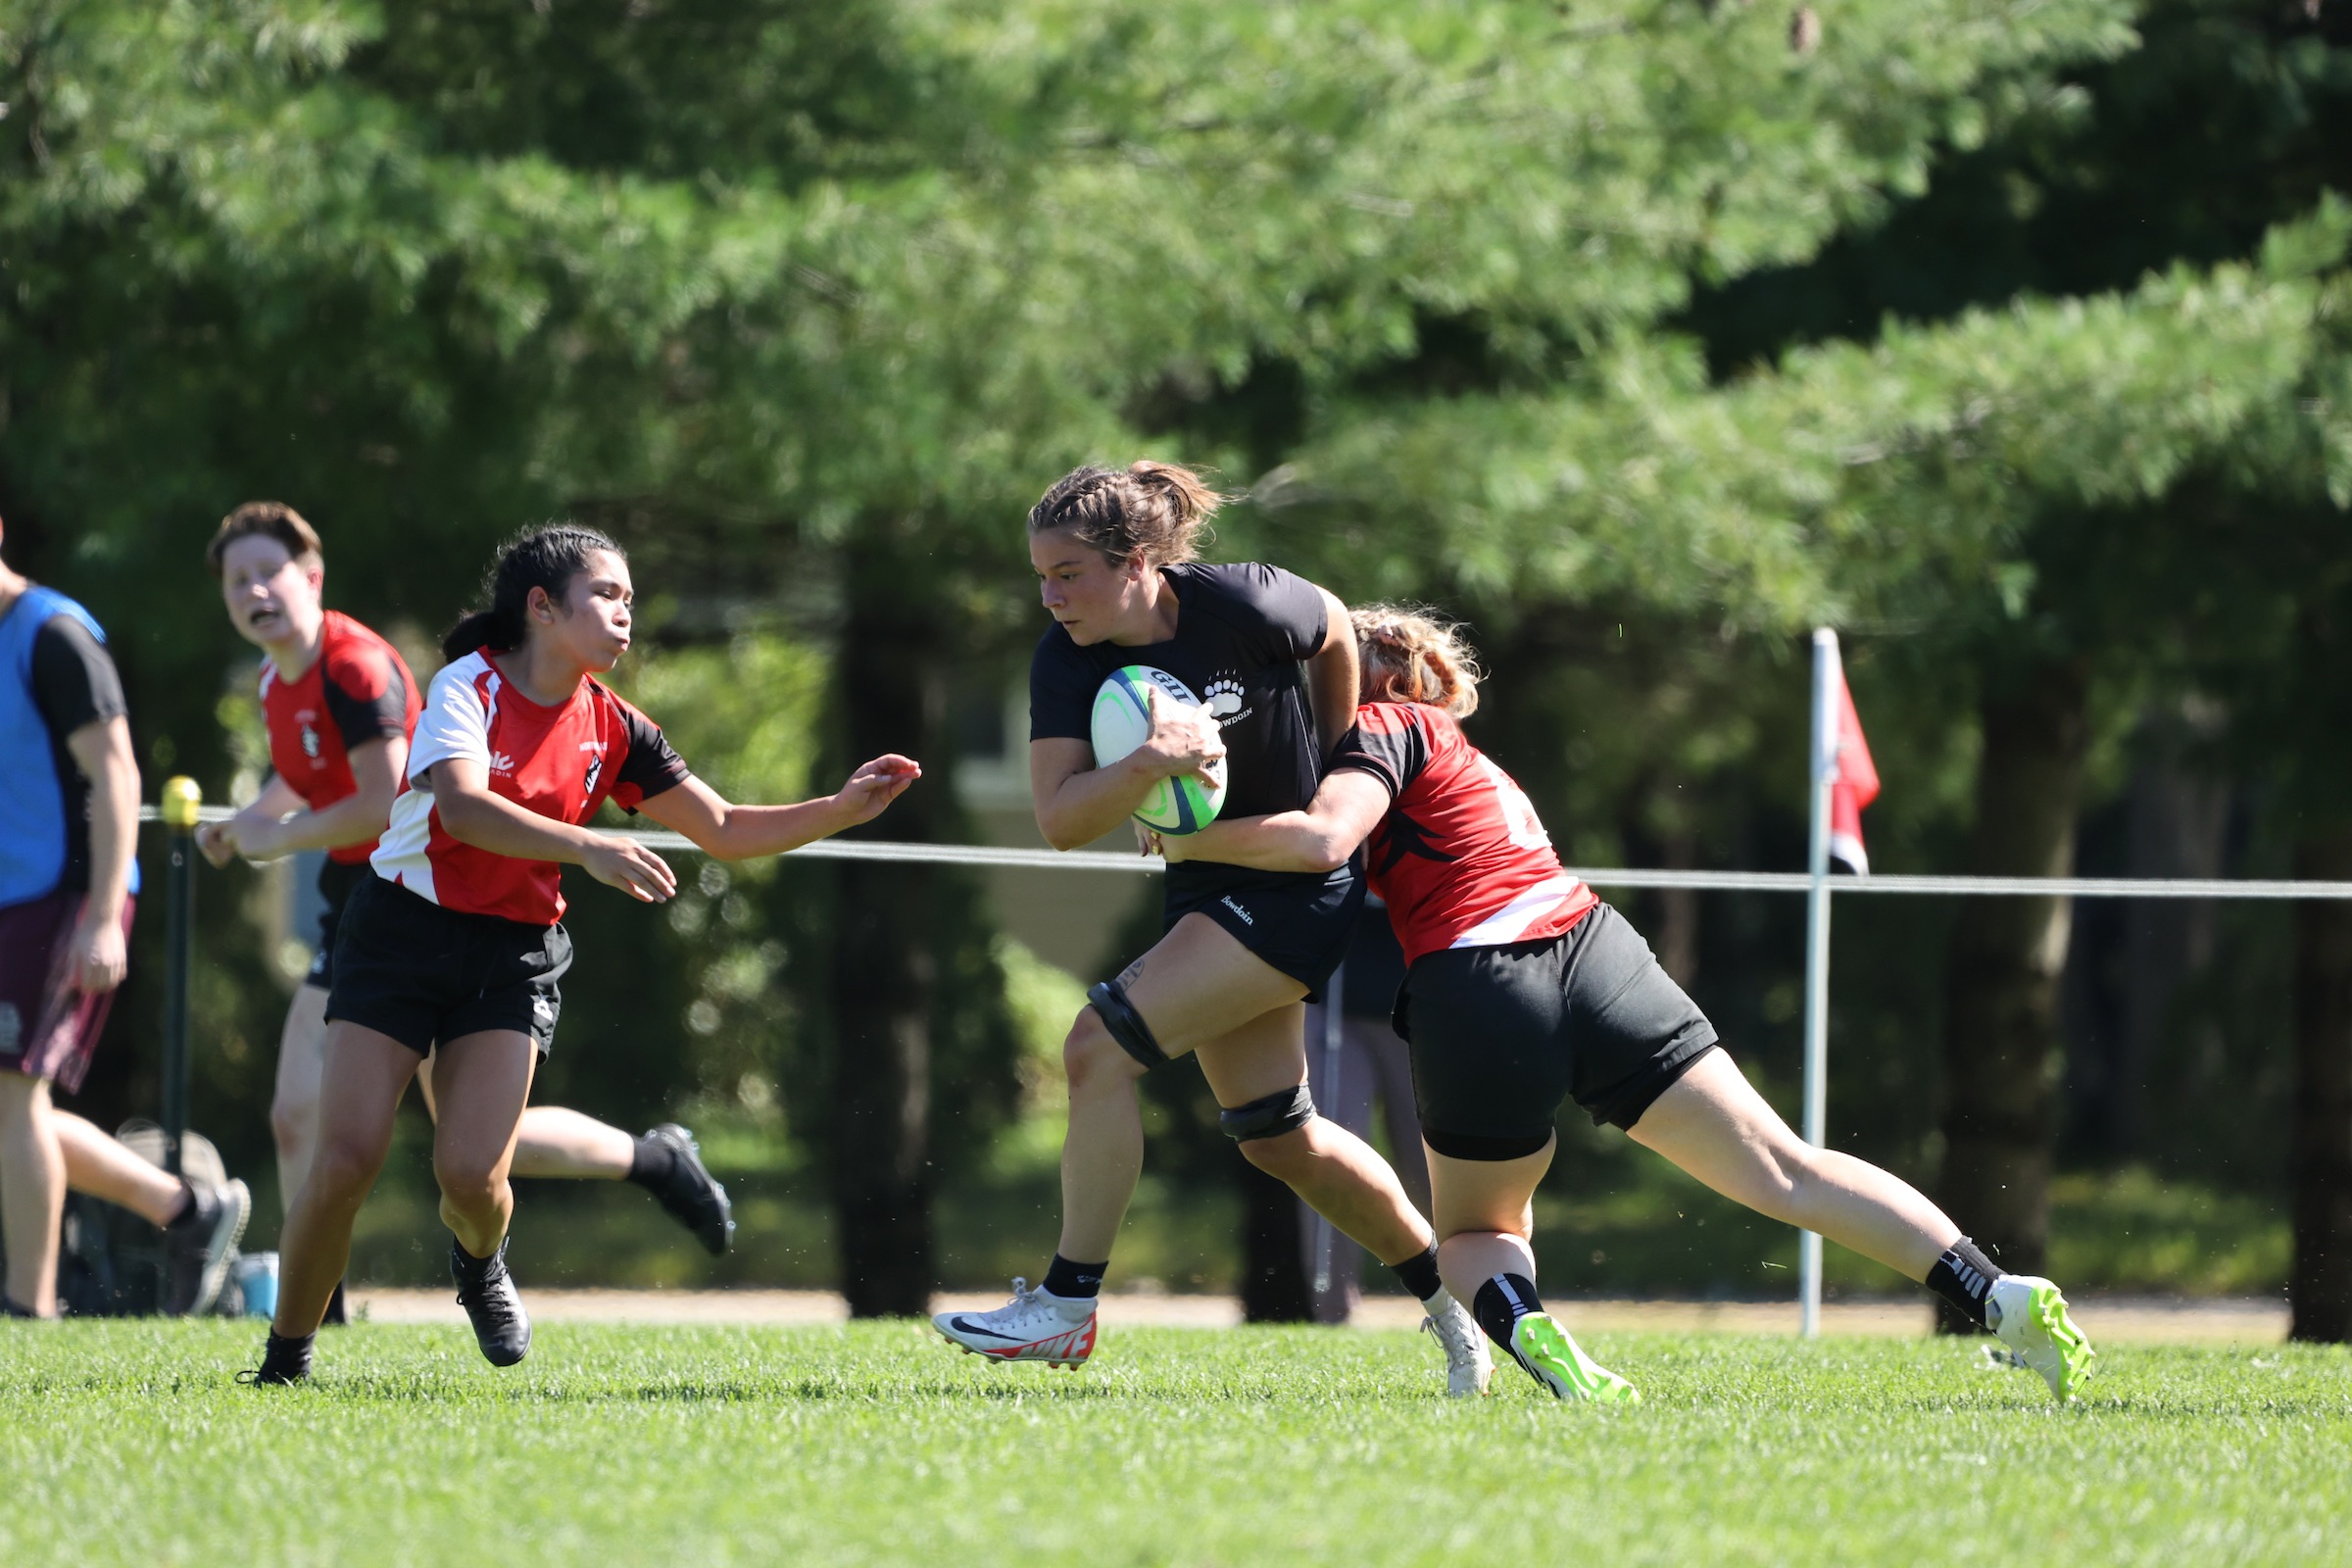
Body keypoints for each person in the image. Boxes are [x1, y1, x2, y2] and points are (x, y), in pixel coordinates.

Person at [1158, 606, 2098, 1403]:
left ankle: (1531, 1332)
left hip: (1480, 983)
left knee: (1478, 1235)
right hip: (1596, 949)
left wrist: (1185, 839)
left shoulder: (1385, 731)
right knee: (1788, 1167)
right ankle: (1995, 1289)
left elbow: (1326, 838)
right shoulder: (1469, 757)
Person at [245, 524, 919, 1384]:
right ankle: (285, 1361)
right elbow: (462, 809)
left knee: (470, 1176)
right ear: (541, 607)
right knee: (345, 1160)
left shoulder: (616, 725)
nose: (624, 615)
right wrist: (588, 847)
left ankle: (481, 1264)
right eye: (607, 595)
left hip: (513, 954)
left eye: (630, 600)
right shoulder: (467, 687)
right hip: (399, 935)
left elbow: (722, 830)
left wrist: (840, 807)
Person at [932, 464, 1491, 1396]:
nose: (1050, 595)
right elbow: (1064, 821)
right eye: (1041, 575)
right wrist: (1152, 762)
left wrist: (1339, 753)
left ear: (1138, 561)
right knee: (1282, 1136)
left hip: (1295, 891)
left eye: (1069, 573)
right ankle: (1455, 1308)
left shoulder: (1245, 601)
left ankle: (1068, 1307)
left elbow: (1338, 626)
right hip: (1205, 888)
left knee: (1094, 1049)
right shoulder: (1064, 659)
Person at [197, 505, 734, 1333]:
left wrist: (280, 837)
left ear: (313, 579)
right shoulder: (277, 679)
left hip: (453, 902)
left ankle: (644, 1164)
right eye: (237, 580)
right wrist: (250, 822)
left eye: (269, 572)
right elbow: (305, 781)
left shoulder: (358, 667)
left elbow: (382, 803)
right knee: (328, 1129)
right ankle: (308, 1323)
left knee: (470, 1156)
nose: (253, 591)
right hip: (389, 913)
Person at [0, 515, 249, 1319]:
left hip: (65, 894)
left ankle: (27, 1311)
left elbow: (114, 775)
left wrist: (104, 917)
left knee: (13, 1097)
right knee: (13, 1104)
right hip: (12, 895)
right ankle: (184, 1211)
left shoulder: (56, 635)